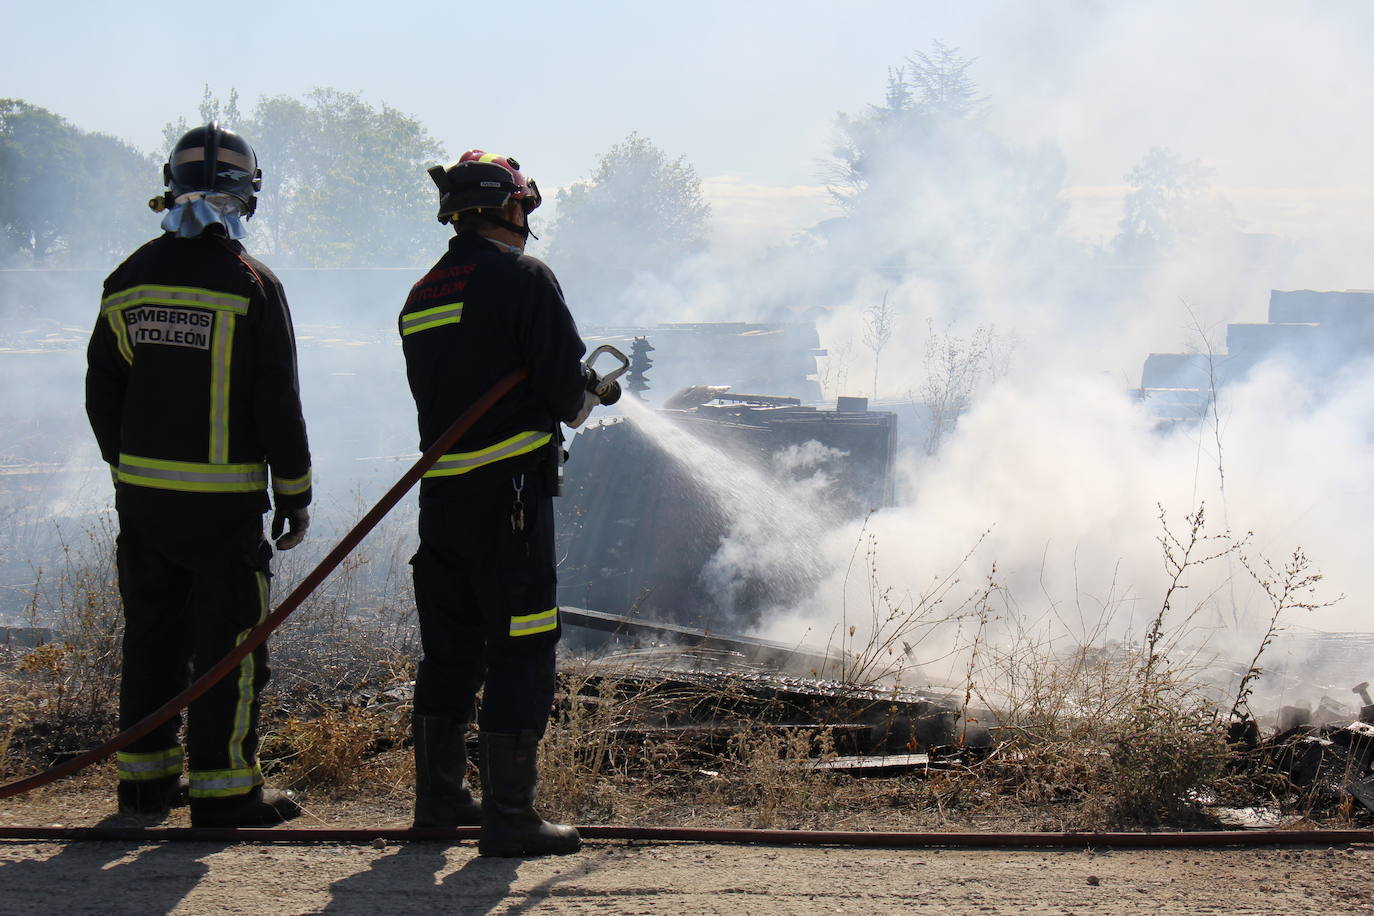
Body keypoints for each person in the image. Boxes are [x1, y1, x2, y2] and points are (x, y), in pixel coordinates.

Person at [86, 122, 313, 827]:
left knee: (151, 638)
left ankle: (145, 784)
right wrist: (295, 496)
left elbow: (102, 394)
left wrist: (127, 471)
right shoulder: (251, 285)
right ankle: (224, 791)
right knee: (231, 649)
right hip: (225, 510)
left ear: (170, 186)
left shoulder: (127, 279)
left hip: (145, 506)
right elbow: (278, 403)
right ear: (248, 195)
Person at [399, 150, 617, 856]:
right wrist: (589, 391)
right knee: (523, 645)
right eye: (524, 208)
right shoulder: (525, 278)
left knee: (450, 649)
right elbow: (565, 397)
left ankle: (438, 806)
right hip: (512, 498)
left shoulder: (423, 293)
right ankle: (510, 817)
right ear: (509, 207)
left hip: (443, 501)